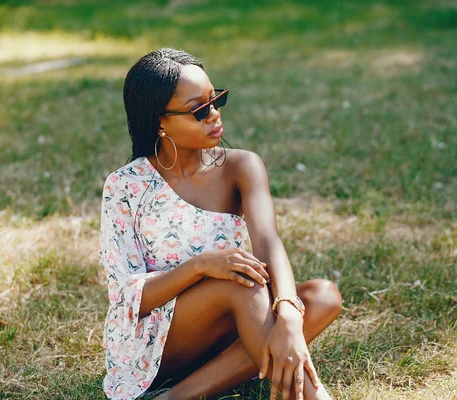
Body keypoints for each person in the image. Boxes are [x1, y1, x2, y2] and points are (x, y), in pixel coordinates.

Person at [99, 47, 342, 400]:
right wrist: (201, 267)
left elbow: (267, 240)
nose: (214, 116)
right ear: (159, 120)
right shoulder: (125, 187)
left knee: (321, 298)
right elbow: (129, 298)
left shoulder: (241, 166)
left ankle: (176, 397)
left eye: (217, 101)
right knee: (239, 280)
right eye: (199, 110)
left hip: (231, 322)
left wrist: (288, 312)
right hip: (154, 342)